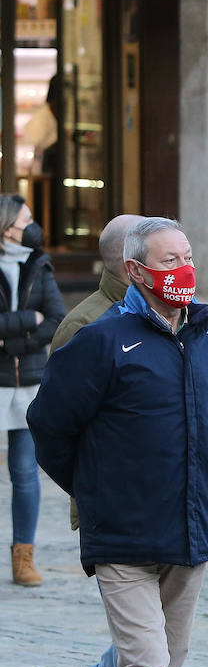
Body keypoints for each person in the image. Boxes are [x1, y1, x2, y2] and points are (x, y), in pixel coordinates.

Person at [27, 217, 208, 667]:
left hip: (192, 529)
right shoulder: (102, 340)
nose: (183, 266)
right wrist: (96, 490)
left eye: (189, 253)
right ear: (137, 271)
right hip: (122, 535)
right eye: (169, 258)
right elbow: (51, 425)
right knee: (145, 665)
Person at [51, 214, 143, 667]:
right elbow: (56, 425)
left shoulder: (168, 314)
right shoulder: (86, 325)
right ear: (128, 262)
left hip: (172, 496)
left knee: (160, 626)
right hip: (114, 501)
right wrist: (89, 490)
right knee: (146, 633)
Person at [0, 193, 64, 587]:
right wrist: (27, 319)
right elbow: (38, 318)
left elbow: (56, 318)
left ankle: (23, 556)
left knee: (25, 472)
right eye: (26, 219)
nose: (33, 226)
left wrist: (11, 342)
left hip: (29, 382)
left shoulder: (39, 264)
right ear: (7, 227)